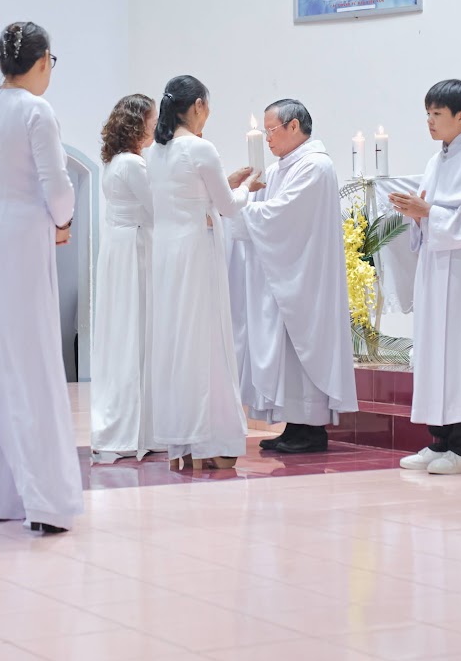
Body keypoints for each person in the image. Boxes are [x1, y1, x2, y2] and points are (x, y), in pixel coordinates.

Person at [0, 22, 82, 535]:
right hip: (22, 241)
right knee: (33, 362)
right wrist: (62, 221)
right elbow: (58, 186)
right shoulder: (37, 110)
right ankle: (47, 501)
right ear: (42, 60)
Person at [389, 80, 461, 474]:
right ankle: (439, 441)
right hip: (434, 266)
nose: (430, 121)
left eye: (437, 114)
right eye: (428, 114)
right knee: (433, 351)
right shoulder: (435, 160)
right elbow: (429, 212)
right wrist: (416, 215)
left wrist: (429, 214)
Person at [228, 99, 357, 454]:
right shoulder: (280, 168)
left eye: (271, 130)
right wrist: (241, 197)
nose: (267, 138)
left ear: (294, 126)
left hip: (307, 277)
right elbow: (266, 212)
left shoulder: (315, 166)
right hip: (286, 273)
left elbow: (282, 215)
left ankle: (312, 430)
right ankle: (294, 425)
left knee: (305, 347)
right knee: (288, 350)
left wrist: (235, 207)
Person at [149, 76, 254, 471]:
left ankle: (184, 440)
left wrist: (225, 186)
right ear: (197, 106)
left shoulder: (155, 152)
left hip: (166, 253)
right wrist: (249, 188)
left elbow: (189, 194)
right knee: (207, 339)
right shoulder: (200, 147)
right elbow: (228, 207)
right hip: (196, 251)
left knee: (178, 341)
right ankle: (214, 437)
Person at [90, 94, 159, 464]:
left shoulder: (114, 162)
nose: (156, 125)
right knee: (138, 332)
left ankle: (138, 424)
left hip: (118, 248)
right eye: (152, 119)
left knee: (123, 333)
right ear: (138, 123)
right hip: (135, 249)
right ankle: (137, 428)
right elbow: (157, 208)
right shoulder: (133, 164)